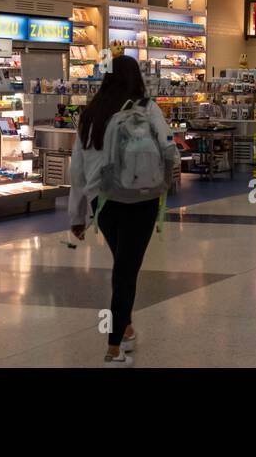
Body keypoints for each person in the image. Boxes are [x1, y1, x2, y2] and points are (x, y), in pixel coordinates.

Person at [69, 55, 178, 366]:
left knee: (123, 264)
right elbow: (169, 147)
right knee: (126, 270)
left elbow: (76, 170)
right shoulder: (147, 108)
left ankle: (127, 328)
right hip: (140, 198)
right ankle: (114, 346)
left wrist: (77, 216)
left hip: (101, 201)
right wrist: (166, 182)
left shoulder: (91, 112)